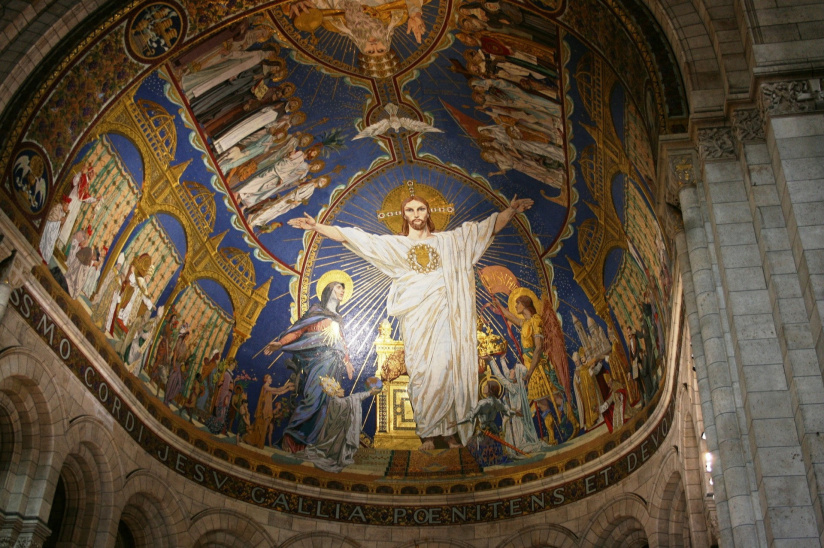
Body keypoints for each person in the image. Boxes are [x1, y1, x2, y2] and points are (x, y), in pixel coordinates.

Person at [287, 192, 532, 449]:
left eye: (421, 209)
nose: (416, 215)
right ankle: (428, 433)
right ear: (404, 215)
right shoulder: (397, 245)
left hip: (445, 318)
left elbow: (485, 229)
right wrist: (317, 227)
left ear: (428, 213)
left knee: (447, 369)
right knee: (422, 372)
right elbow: (358, 238)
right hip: (416, 320)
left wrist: (511, 210)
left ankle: (448, 433)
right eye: (411, 210)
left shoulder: (450, 241)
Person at [263, 279, 355, 452]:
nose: (342, 291)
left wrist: (348, 362)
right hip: (319, 361)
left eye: (344, 289)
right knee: (313, 400)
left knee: (326, 405)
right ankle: (291, 438)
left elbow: (341, 342)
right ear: (329, 290)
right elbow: (299, 331)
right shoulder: (316, 311)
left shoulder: (338, 319)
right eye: (338, 287)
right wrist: (281, 343)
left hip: (335, 365)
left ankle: (307, 444)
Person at [303, 376, 381, 472]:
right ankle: (336, 458)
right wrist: (369, 392)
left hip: (338, 431)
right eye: (340, 389)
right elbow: (355, 398)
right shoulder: (338, 402)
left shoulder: (335, 401)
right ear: (335, 392)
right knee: (336, 450)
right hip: (338, 433)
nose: (343, 390)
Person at [486, 356, 548, 456]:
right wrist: (502, 359)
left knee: (518, 442)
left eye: (513, 370)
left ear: (515, 376)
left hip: (514, 419)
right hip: (511, 417)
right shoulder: (513, 383)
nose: (511, 370)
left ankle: (519, 449)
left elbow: (499, 376)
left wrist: (491, 361)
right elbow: (505, 373)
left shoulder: (513, 387)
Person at [246, 373, 295, 448]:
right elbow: (277, 389)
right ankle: (258, 443)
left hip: (267, 411)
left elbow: (280, 392)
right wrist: (287, 385)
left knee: (265, 429)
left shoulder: (268, 389)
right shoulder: (265, 386)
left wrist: (288, 389)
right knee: (261, 428)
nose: (271, 379)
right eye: (270, 378)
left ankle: (260, 444)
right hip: (263, 411)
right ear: (266, 379)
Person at [39, 196, 71, 264]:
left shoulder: (62, 211)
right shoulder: (58, 207)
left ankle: (45, 257)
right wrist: (60, 220)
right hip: (50, 226)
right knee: (48, 240)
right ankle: (42, 253)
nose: (67, 208)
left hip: (54, 229)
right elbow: (54, 218)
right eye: (67, 205)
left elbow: (60, 222)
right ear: (63, 204)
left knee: (51, 243)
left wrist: (62, 220)